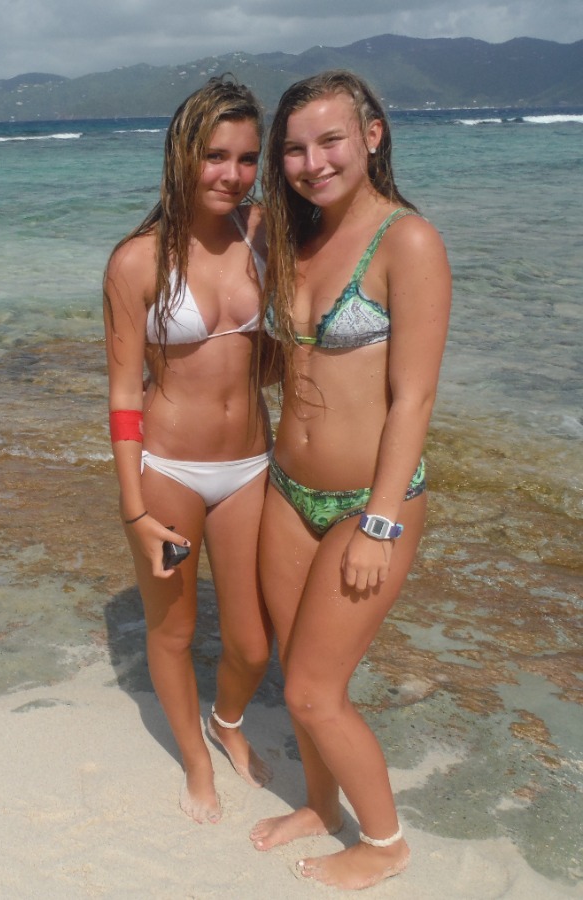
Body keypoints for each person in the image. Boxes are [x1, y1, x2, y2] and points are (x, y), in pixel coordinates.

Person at [248, 70, 452, 889]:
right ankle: (320, 803)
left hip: (370, 501)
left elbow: (414, 399)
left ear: (371, 136)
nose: (313, 162)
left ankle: (386, 842)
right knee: (293, 664)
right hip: (287, 490)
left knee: (312, 690)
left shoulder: (408, 241)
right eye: (294, 149)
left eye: (330, 140)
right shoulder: (289, 236)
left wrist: (380, 524)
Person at [103, 75, 275, 825]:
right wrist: (133, 510)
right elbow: (123, 394)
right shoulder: (136, 261)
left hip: (251, 468)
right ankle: (196, 762)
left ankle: (226, 720)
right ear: (182, 154)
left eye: (247, 158)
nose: (232, 174)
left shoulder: (264, 233)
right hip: (168, 469)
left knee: (253, 643)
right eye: (215, 156)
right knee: (173, 631)